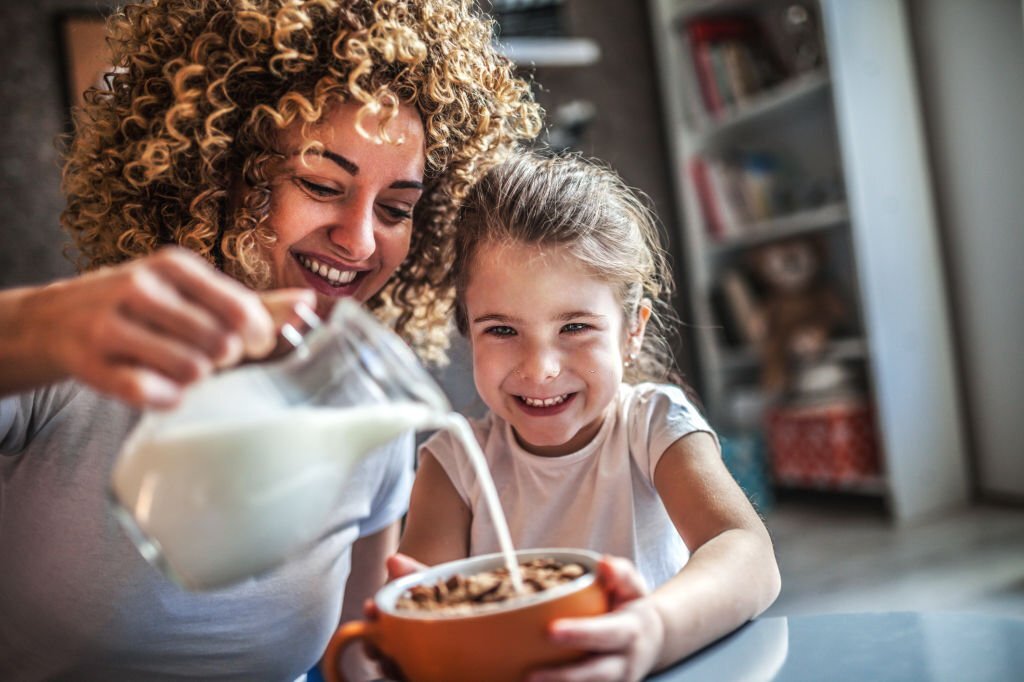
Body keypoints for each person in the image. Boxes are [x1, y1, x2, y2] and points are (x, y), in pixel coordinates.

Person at [0, 0, 541, 679]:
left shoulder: (368, 402)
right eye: (321, 185)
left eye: (397, 209)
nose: (362, 240)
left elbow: (357, 651)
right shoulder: (73, 351)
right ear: (218, 170)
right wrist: (35, 328)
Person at [396, 150, 781, 681]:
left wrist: (654, 630)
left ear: (632, 330)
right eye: (502, 330)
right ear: (467, 331)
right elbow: (430, 624)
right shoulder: (454, 465)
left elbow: (748, 554)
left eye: (575, 327)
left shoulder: (654, 427)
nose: (541, 369)